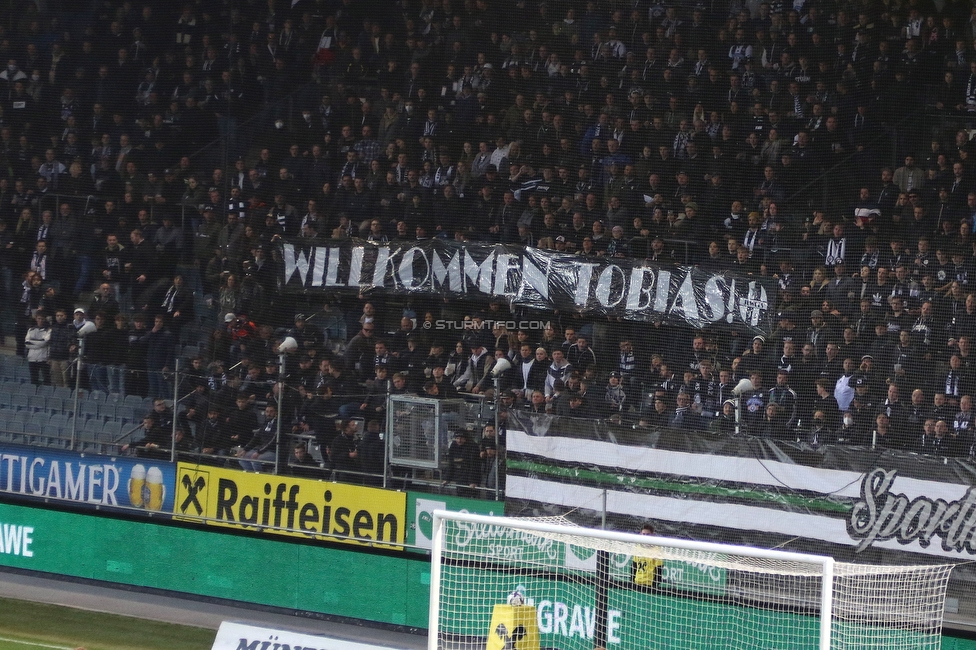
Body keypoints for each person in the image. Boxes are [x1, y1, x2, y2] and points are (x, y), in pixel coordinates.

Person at [237, 403, 279, 472]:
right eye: (267, 411)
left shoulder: (278, 424)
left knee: (255, 459)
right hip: (262, 450)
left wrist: (259, 452)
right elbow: (257, 437)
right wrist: (245, 449)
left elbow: (272, 441)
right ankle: (251, 476)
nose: (269, 414)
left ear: (276, 412)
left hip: (273, 451)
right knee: (242, 457)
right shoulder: (266, 422)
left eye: (271, 411)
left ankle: (259, 477)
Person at [443, 429, 481, 497]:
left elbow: (474, 465)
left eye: (461, 438)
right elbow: (451, 464)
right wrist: (447, 478)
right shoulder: (453, 446)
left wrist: (473, 481)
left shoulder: (473, 447)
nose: (459, 440)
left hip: (469, 476)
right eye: (457, 438)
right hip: (459, 476)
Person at [24, 313, 50, 385]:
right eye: (39, 318)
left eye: (42, 319)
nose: (40, 320)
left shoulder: (48, 330)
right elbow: (27, 343)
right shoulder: (30, 330)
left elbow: (44, 342)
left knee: (46, 378)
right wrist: (39, 342)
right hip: (32, 357)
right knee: (34, 378)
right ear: (36, 319)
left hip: (43, 357)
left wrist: (32, 341)